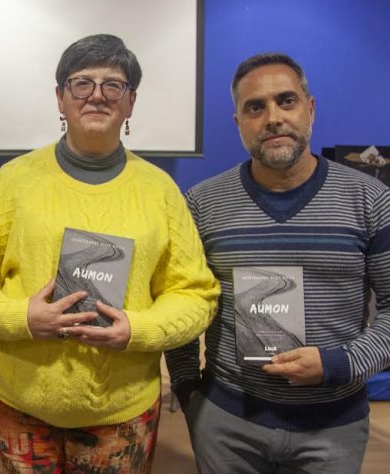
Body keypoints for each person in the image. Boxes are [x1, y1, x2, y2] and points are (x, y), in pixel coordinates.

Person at [0, 34, 219, 473]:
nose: (97, 95)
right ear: (60, 97)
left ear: (130, 103)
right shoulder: (14, 180)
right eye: (81, 83)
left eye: (113, 85)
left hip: (120, 410)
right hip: (15, 403)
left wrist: (137, 329)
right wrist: (23, 319)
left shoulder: (160, 192)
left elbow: (196, 294)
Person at [165, 53, 390, 474]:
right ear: (238, 122)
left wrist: (339, 363)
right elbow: (182, 302)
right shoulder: (202, 204)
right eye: (255, 107)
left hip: (333, 427)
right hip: (226, 424)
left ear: (310, 108)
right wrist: (186, 389)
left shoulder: (370, 200)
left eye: (286, 101)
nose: (272, 118)